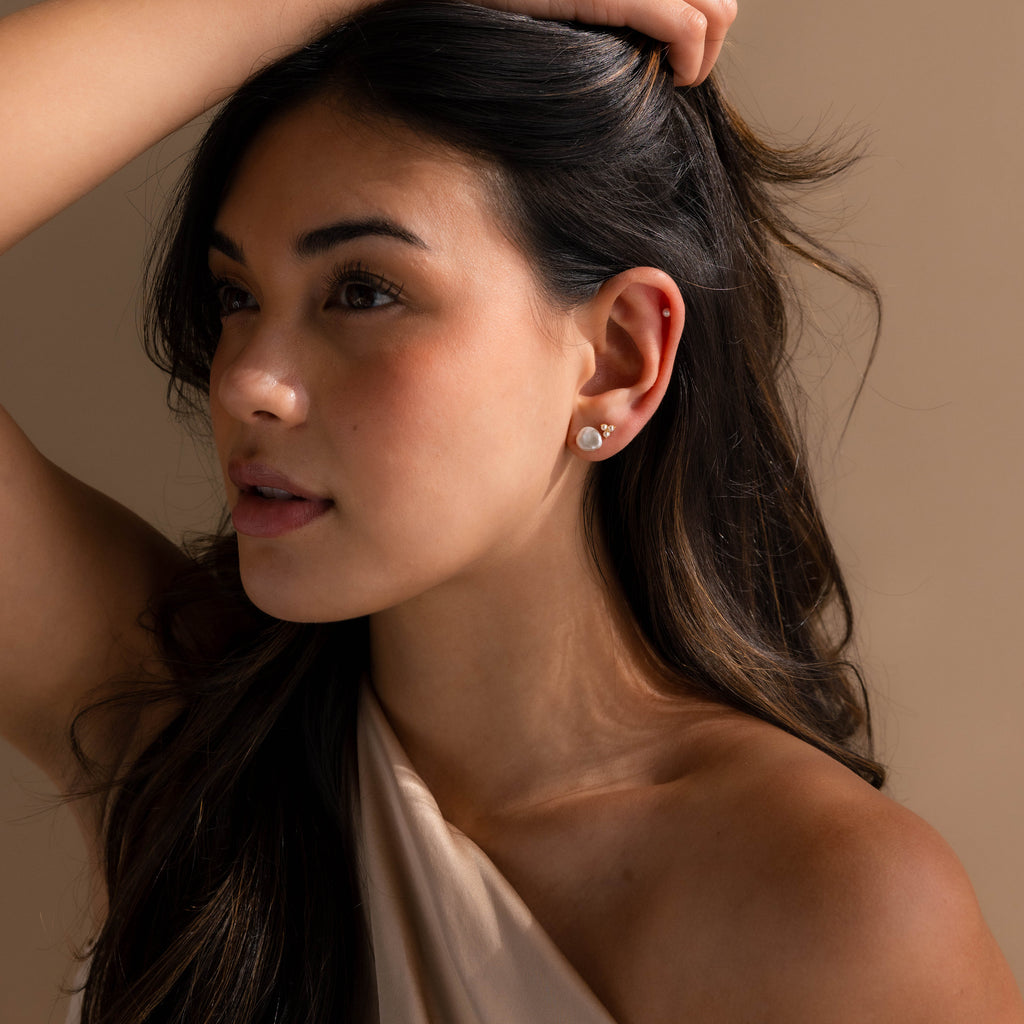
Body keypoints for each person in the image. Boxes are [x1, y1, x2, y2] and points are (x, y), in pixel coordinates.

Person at [1, 0, 1021, 1021]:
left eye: (361, 290)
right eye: (236, 296)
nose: (248, 383)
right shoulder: (185, 749)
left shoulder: (826, 907)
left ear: (617, 358)